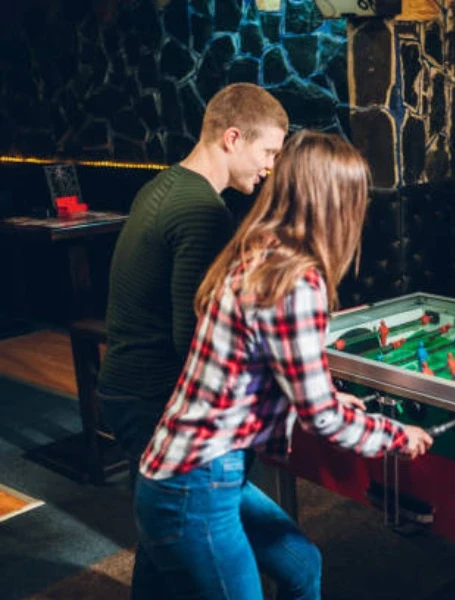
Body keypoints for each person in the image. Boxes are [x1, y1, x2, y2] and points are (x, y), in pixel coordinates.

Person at [134, 130, 434, 599]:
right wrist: (397, 437)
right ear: (333, 203)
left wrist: (332, 398)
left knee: (300, 566)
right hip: (195, 485)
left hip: (181, 472)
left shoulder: (259, 250)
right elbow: (322, 419)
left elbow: (276, 377)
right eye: (356, 198)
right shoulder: (296, 281)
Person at [96, 82, 289, 598]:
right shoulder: (203, 211)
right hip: (152, 396)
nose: (270, 166)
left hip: (123, 386)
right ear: (232, 138)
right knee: (186, 542)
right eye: (267, 151)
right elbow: (195, 341)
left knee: (162, 544)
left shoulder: (162, 186)